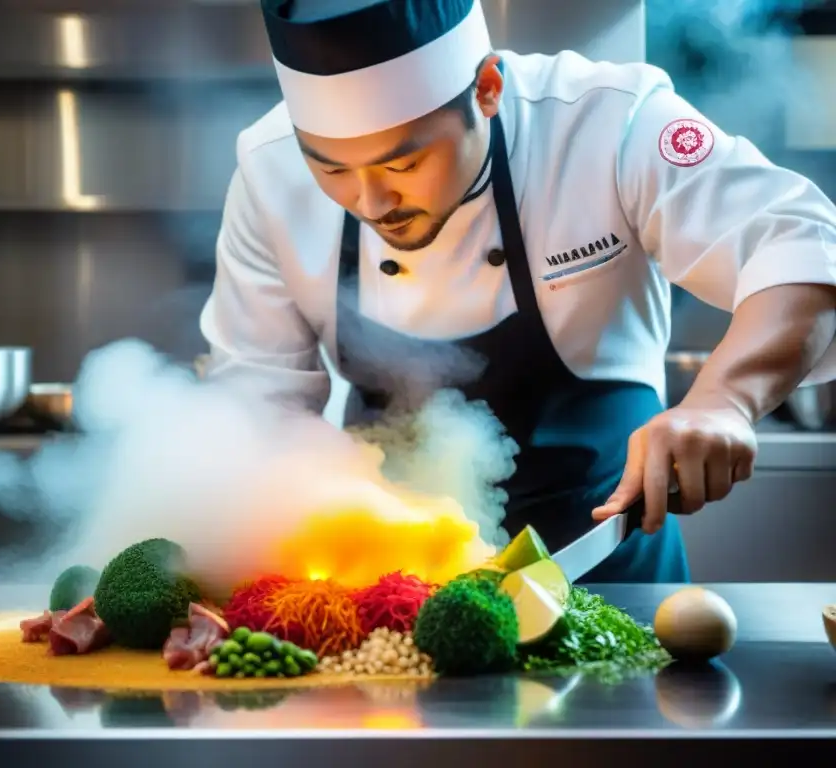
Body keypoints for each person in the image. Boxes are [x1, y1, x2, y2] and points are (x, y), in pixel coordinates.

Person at [198, 0, 836, 582]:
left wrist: (723, 401)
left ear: (487, 89)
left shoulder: (607, 123)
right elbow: (260, 408)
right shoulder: (267, 167)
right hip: (394, 595)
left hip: (609, 574)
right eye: (331, 168)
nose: (373, 203)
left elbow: (800, 242)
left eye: (404, 163)